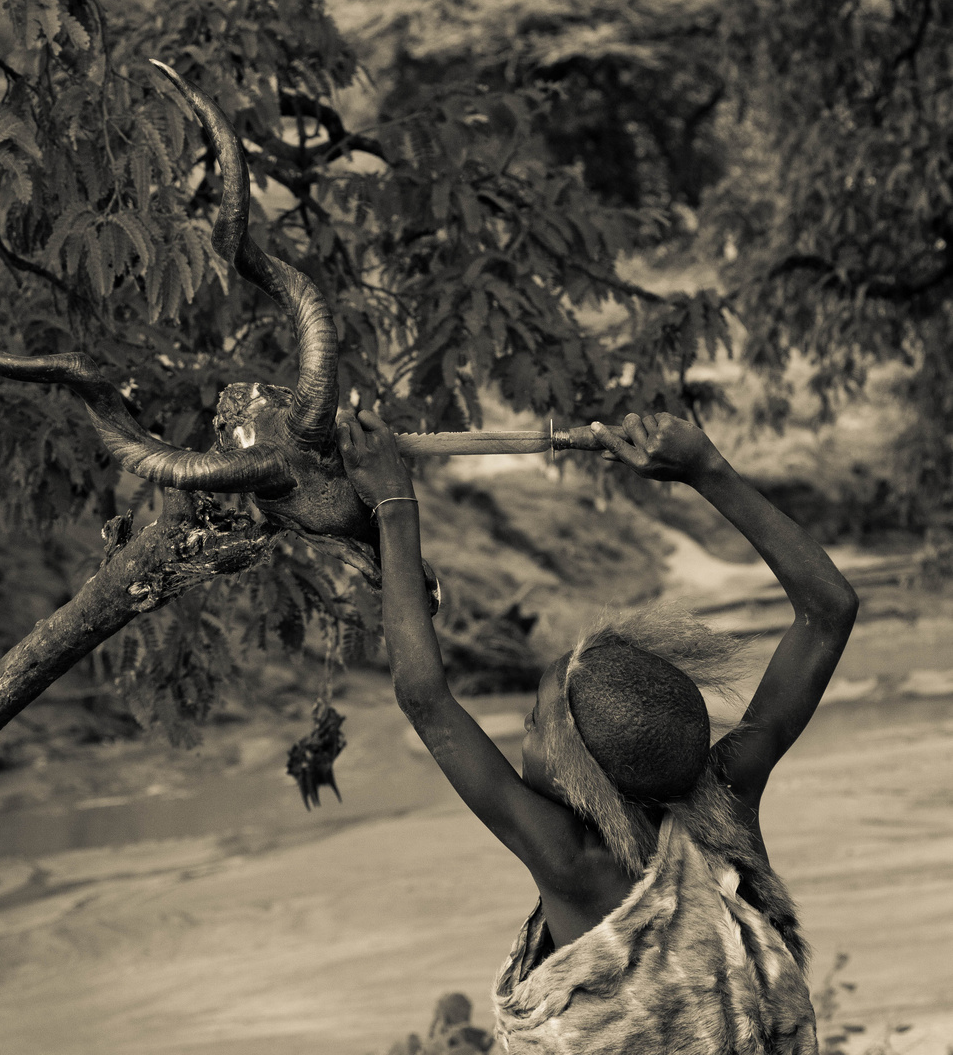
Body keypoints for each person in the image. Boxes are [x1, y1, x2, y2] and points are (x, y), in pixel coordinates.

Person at [335, 409, 859, 1055]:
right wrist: (707, 470)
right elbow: (828, 611)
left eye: (533, 727)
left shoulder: (570, 861)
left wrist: (393, 503)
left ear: (577, 776)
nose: (523, 733)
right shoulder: (726, 799)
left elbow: (426, 701)